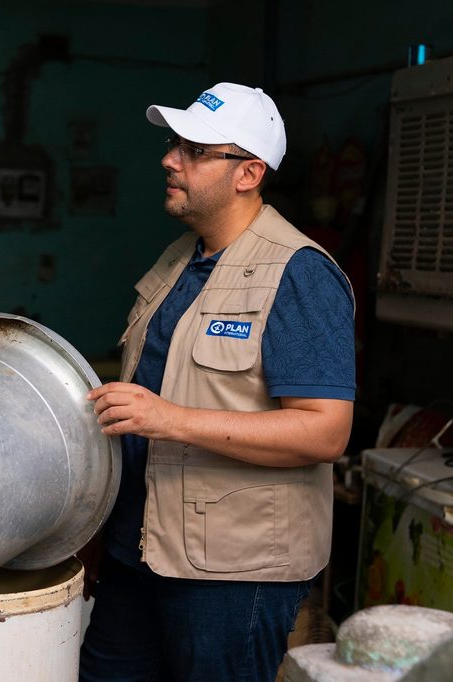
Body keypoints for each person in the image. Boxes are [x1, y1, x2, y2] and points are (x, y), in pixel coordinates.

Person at [78, 83, 356, 681]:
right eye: (176, 144)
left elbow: (325, 431)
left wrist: (168, 418)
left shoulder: (298, 274)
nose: (169, 159)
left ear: (248, 173)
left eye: (195, 150)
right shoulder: (182, 259)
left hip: (232, 572)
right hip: (138, 551)